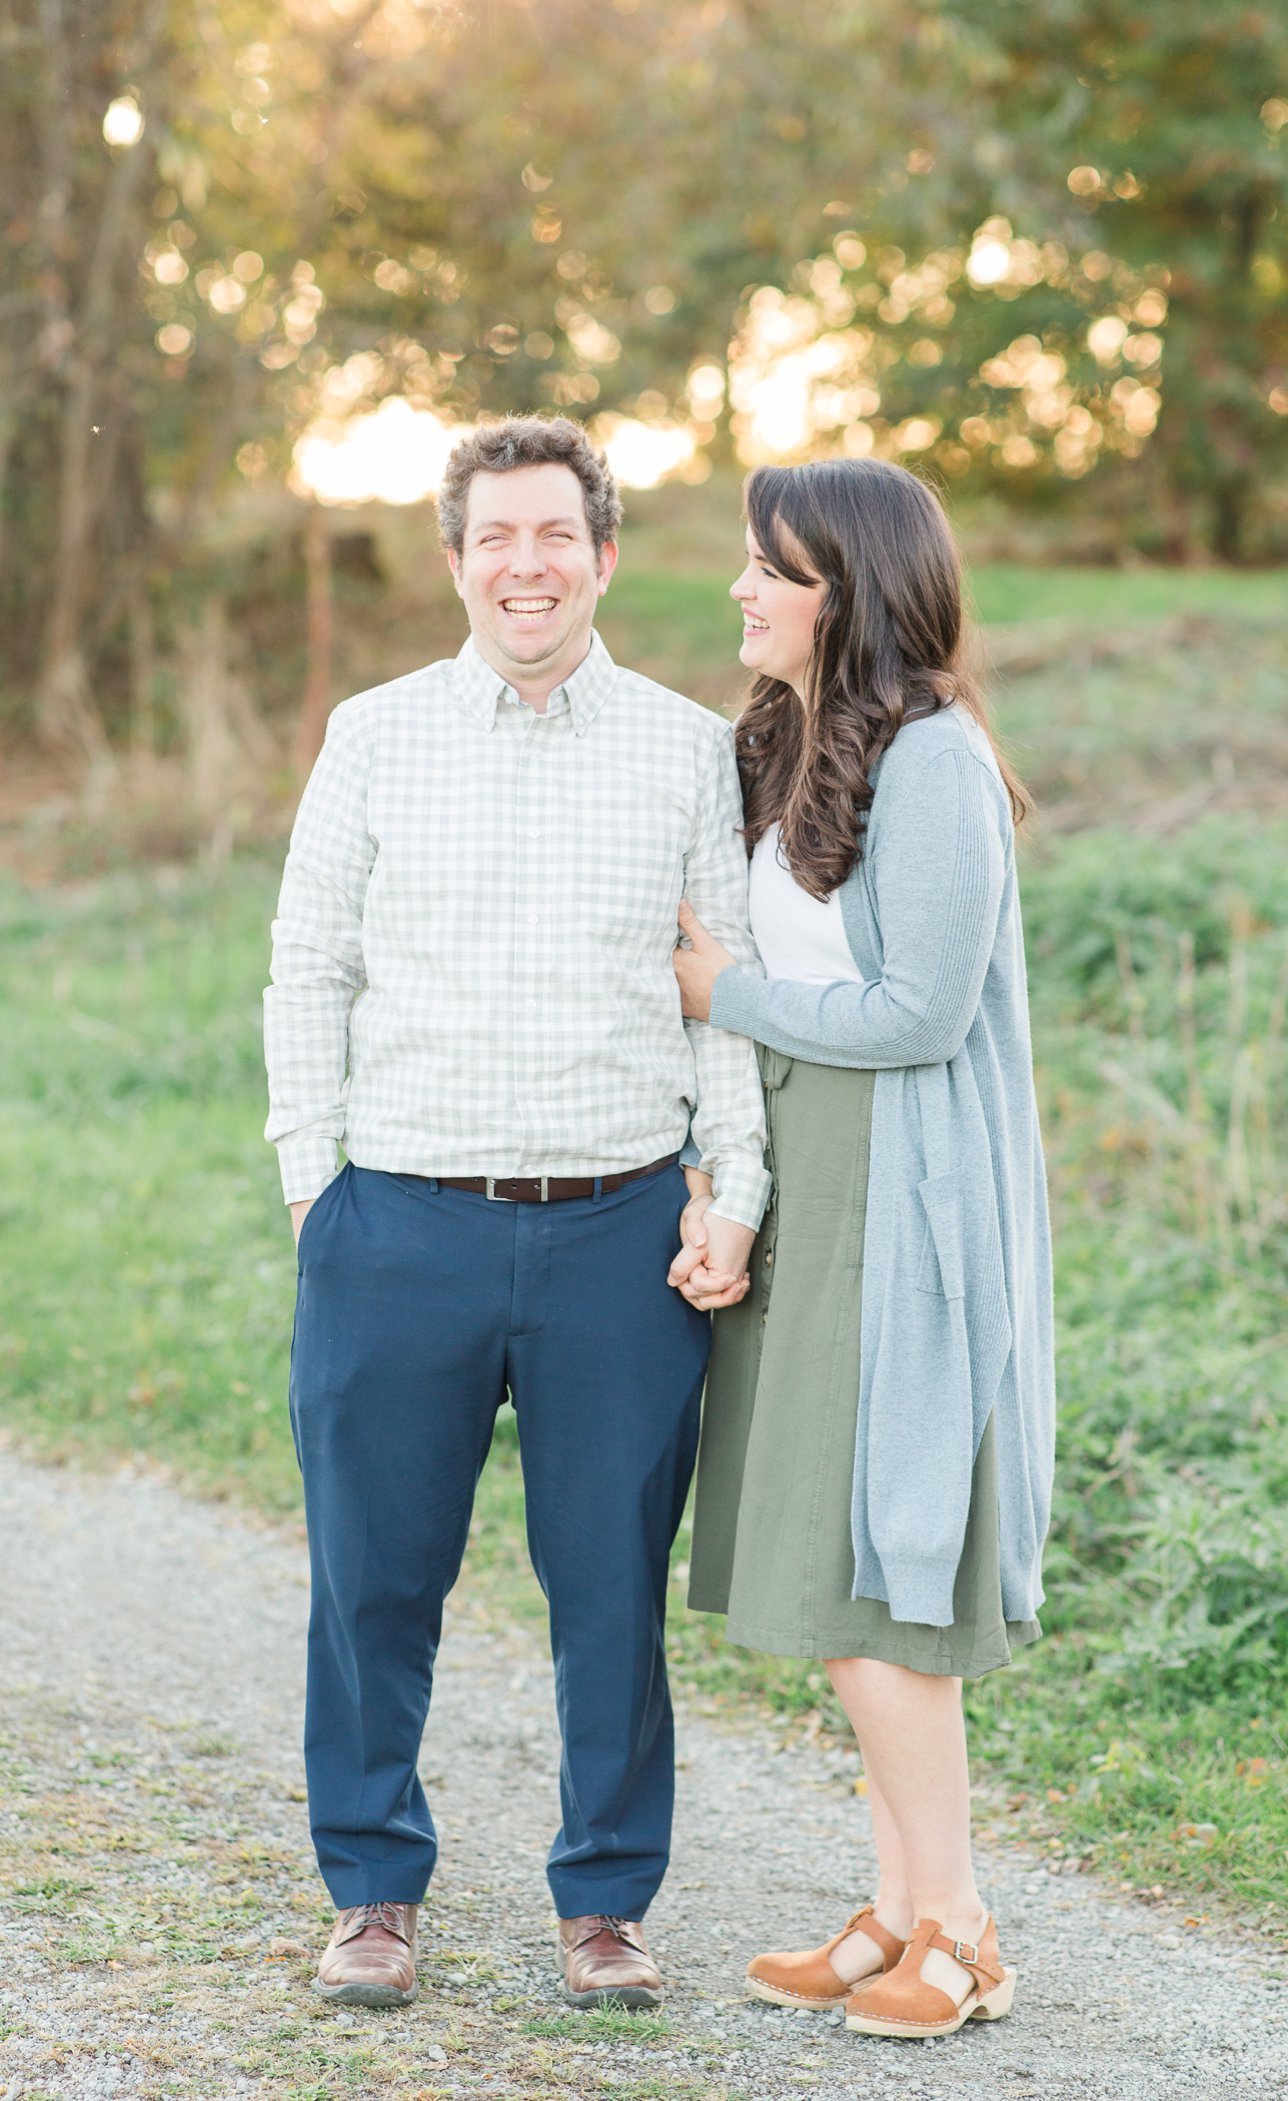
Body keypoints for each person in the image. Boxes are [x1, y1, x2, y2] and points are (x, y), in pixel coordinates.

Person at [263, 414, 768, 2012]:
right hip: (397, 1221)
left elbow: (727, 1004)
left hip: (618, 1231)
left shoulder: (689, 748)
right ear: (459, 558)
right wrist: (312, 1181)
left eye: (558, 535)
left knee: (609, 1581)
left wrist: (732, 1186)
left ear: (603, 555)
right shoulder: (374, 732)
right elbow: (305, 970)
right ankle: (371, 1889)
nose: (528, 564)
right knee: (372, 1575)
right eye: (499, 537)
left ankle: (605, 1903)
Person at [672, 457, 1054, 2043]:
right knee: (836, 1573)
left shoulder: (941, 763)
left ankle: (955, 1923)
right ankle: (898, 1905)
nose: (743, 592)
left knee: (881, 1578)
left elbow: (922, 1014)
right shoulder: (798, 740)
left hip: (906, 1195)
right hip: (813, 1180)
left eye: (773, 569)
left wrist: (725, 997)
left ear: (853, 589)